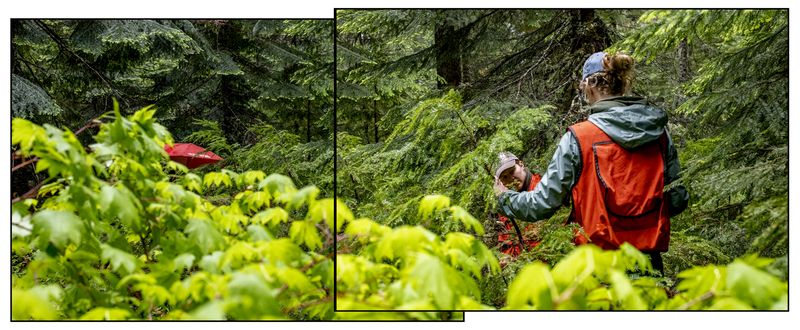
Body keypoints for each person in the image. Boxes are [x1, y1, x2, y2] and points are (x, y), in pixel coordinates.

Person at [493, 52, 689, 274]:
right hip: (649, 265)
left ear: (589, 86)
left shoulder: (579, 138)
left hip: (598, 268)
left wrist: (505, 198)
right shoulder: (659, 134)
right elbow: (678, 200)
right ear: (622, 82)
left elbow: (542, 204)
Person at [493, 152, 542, 258]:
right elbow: (506, 244)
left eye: (512, 171)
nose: (511, 178)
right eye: (505, 177)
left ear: (521, 164)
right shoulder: (506, 207)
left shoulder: (542, 188)